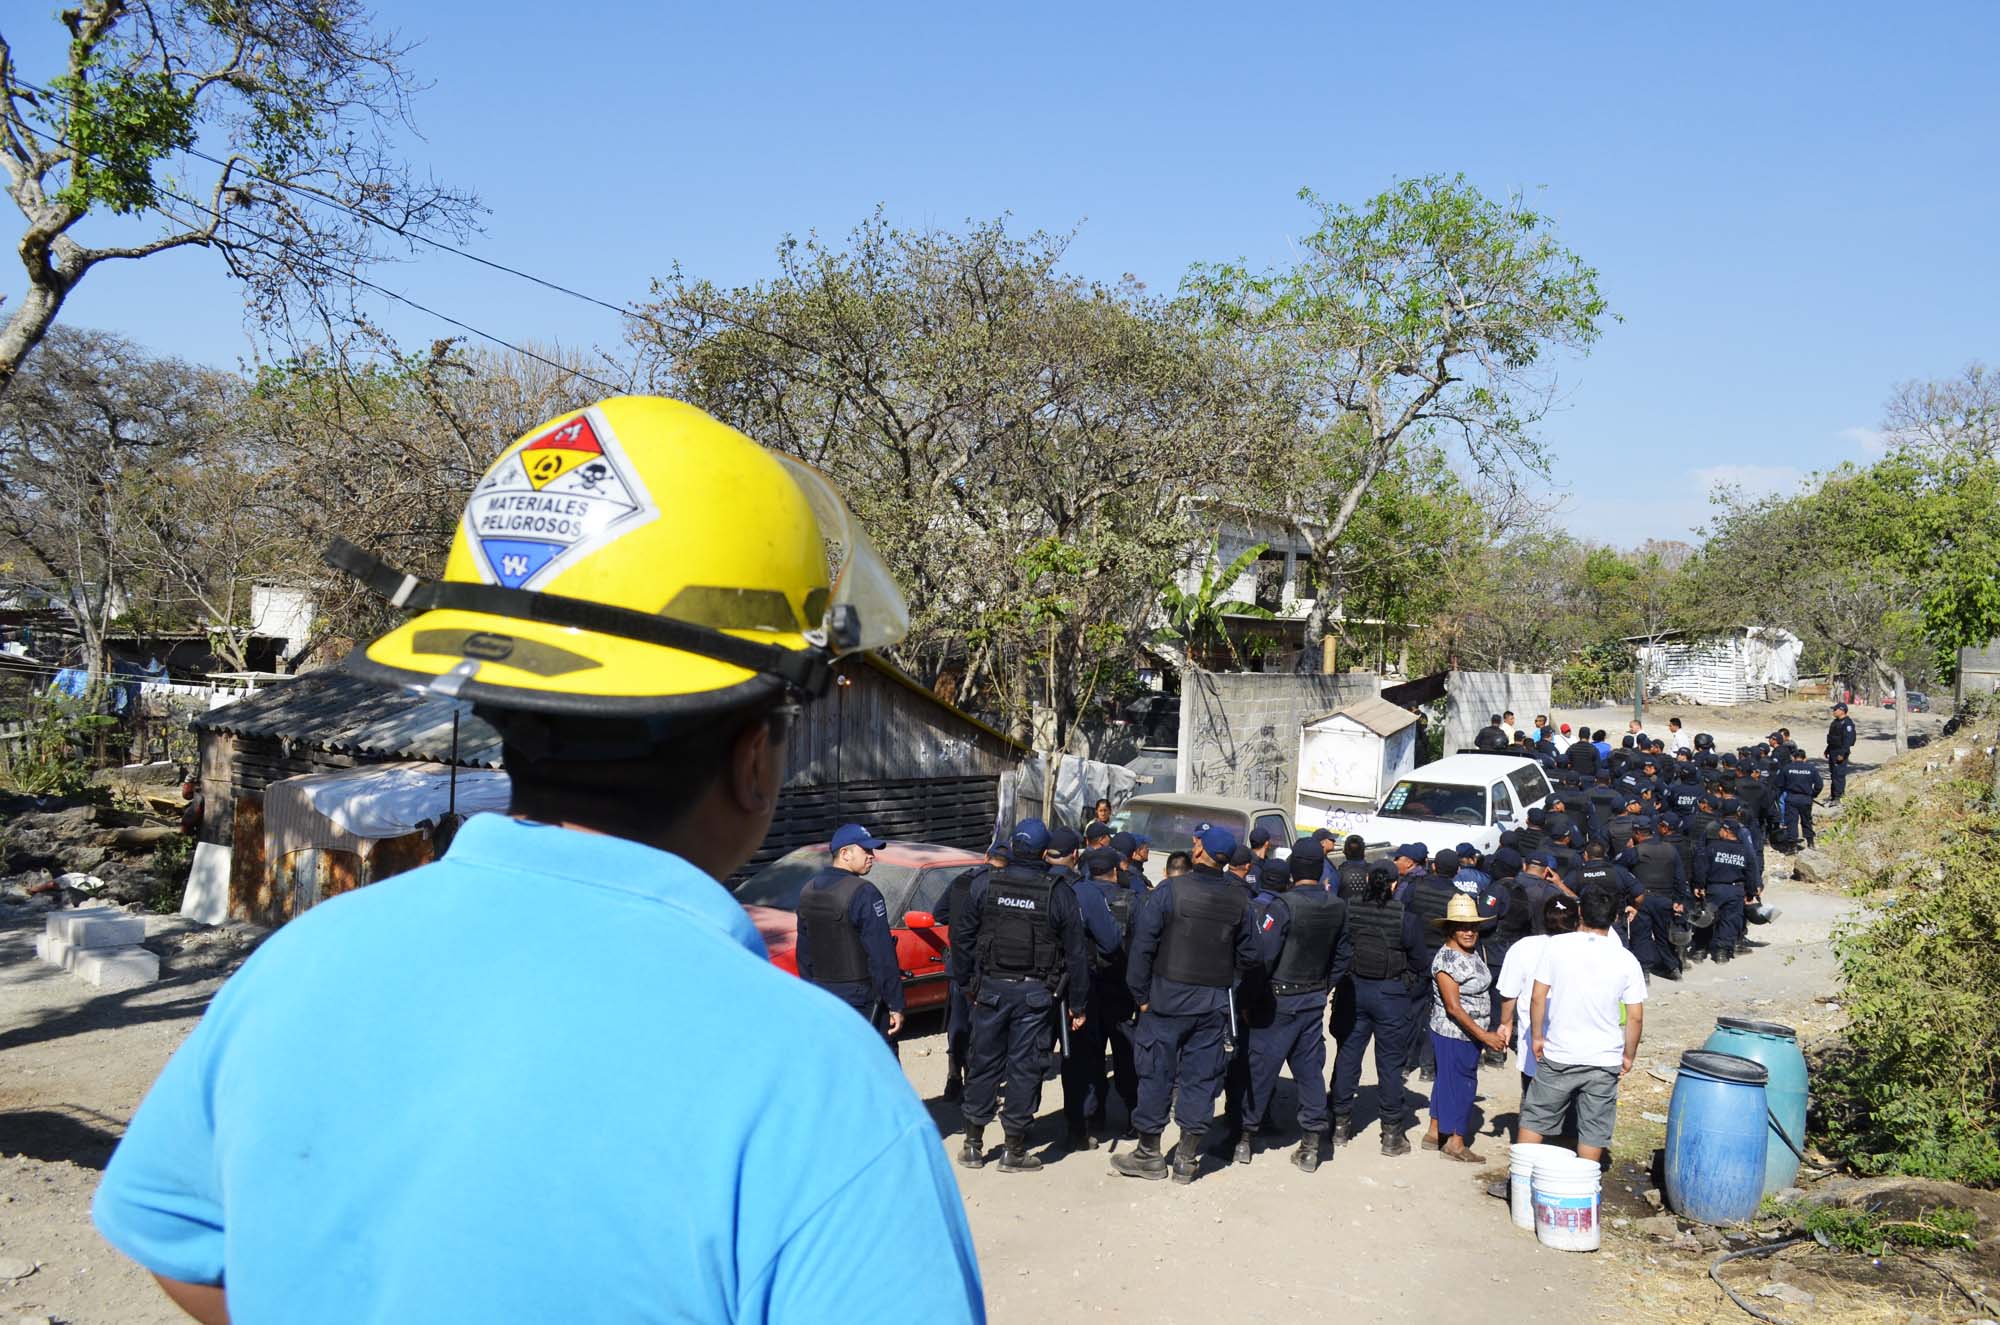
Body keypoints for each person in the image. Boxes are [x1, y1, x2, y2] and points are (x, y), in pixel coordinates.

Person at [93, 397, 983, 1323]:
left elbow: (176, 1238)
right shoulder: (814, 1083)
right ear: (755, 757)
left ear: (498, 702)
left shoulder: (298, 965)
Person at [1113, 826, 1261, 1185]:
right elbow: (1250, 954)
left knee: (1156, 1074)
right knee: (1201, 1078)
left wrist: (1141, 997)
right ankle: (1186, 1159)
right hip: (1212, 1006)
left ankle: (1148, 1154)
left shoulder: (1170, 891)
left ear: (1198, 852)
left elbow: (1142, 947)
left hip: (1166, 1002)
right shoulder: (1240, 899)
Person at [955, 818, 1091, 1173]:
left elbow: (962, 937)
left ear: (1013, 847)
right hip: (1035, 994)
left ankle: (973, 1145)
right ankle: (1013, 1149)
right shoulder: (1059, 892)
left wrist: (966, 983)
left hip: (991, 990)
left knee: (983, 1063)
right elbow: (1077, 954)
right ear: (1045, 852)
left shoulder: (984, 884)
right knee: (1025, 1067)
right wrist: (1078, 1004)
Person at [1517, 884, 1647, 1164]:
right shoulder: (1626, 959)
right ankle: (1585, 1182)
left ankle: (1521, 1177)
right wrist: (1628, 1055)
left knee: (1536, 1116)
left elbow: (1537, 996)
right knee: (1593, 1129)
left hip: (1559, 1051)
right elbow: (1635, 1015)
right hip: (1604, 1057)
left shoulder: (1556, 946)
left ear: (1580, 913)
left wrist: (1537, 1036)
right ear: (1615, 917)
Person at [1244, 849, 1351, 1171]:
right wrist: (1324, 986)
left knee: (1260, 1069)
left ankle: (1244, 1139)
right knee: (1309, 1072)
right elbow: (1343, 954)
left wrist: (1249, 1000)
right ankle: (1311, 1145)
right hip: (1312, 997)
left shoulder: (1282, 905)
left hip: (1278, 999)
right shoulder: (1338, 906)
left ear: (1293, 872)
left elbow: (1264, 957)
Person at [1330, 863, 1425, 1154]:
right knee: (1390, 1065)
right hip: (1390, 994)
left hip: (1353, 990)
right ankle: (1392, 1135)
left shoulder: (1349, 909)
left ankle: (1339, 1126)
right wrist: (1405, 985)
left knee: (1347, 1056)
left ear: (1368, 880)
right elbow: (1420, 962)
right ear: (1395, 885)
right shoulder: (1405, 917)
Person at [796, 822, 905, 1045]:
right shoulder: (864, 893)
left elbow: (804, 954)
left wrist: (811, 996)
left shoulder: (808, 890)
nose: (872, 856)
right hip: (861, 1001)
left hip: (823, 998)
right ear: (845, 853)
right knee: (878, 1061)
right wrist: (895, 1003)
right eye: (866, 850)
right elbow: (882, 955)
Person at [1063, 848, 1138, 1151]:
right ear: (1115, 871)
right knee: (1126, 1053)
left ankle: (1093, 1117)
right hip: (1120, 987)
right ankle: (1133, 1114)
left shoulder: (1075, 895)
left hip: (1087, 986)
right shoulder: (1133, 899)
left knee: (1089, 1055)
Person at [1423, 895, 1505, 1163]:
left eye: (1473, 927)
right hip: (1455, 1033)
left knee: (1447, 1081)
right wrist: (1485, 1037)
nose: (1469, 932)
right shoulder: (1447, 961)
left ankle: (1435, 1132)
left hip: (1465, 1033)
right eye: (1462, 927)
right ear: (1450, 929)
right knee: (1462, 1085)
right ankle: (1455, 1143)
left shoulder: (1469, 952)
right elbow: (1454, 1008)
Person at [943, 840, 1009, 1101]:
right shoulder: (1003, 886)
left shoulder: (962, 880)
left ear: (985, 857)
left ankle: (953, 1078)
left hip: (958, 966)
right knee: (985, 1029)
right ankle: (976, 1084)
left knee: (958, 1024)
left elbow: (940, 912)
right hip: (987, 969)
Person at [1496, 893, 1581, 1098]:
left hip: (1535, 1044)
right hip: (1575, 1044)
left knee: (1534, 1102)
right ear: (1577, 921)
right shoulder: (1587, 948)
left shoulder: (1523, 947)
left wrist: (1505, 1023)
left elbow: (1509, 993)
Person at [1691, 818, 1756, 963]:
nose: (1719, 832)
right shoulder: (1744, 850)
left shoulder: (1712, 847)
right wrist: (1750, 892)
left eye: (1721, 829)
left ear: (1726, 831)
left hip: (1714, 888)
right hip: (1735, 890)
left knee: (1706, 918)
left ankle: (1700, 950)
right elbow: (1751, 872)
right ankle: (1722, 953)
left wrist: (1699, 885)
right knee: (1729, 921)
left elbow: (1701, 868)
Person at [1777, 747, 1824, 849]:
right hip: (1806, 798)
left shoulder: (1787, 768)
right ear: (1805, 758)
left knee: (1792, 822)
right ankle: (1810, 843)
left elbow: (1779, 784)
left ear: (1793, 758)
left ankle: (1792, 846)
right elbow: (1819, 785)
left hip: (1791, 797)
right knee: (1807, 820)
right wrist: (1813, 794)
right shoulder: (1811, 768)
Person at [1825, 702, 1857, 802]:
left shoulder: (1847, 723)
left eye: (1835, 710)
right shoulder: (1835, 722)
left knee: (1839, 774)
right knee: (1833, 774)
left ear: (1842, 711)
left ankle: (1839, 796)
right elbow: (1832, 737)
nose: (1834, 711)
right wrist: (1827, 749)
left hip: (1840, 751)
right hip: (1833, 750)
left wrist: (1842, 754)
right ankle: (1833, 794)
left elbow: (1848, 740)